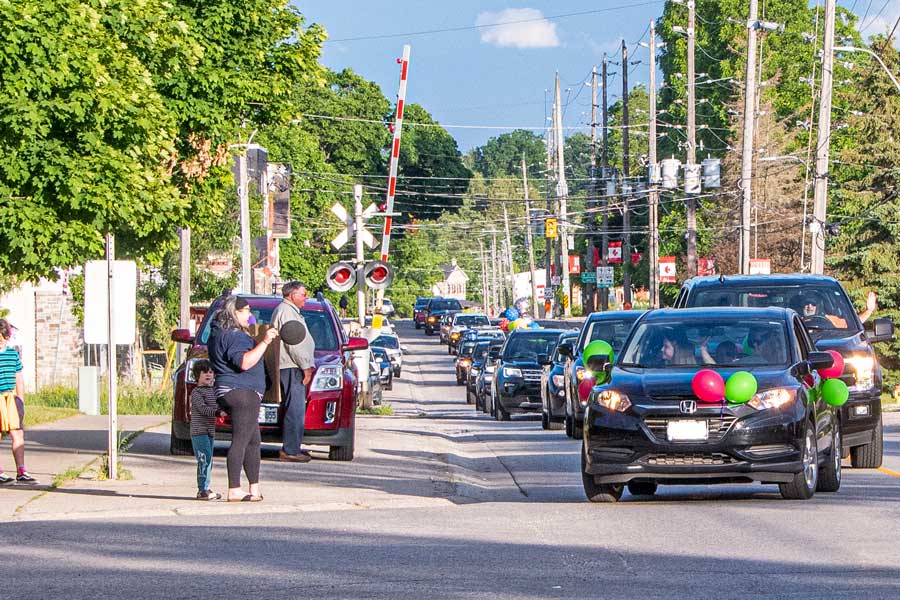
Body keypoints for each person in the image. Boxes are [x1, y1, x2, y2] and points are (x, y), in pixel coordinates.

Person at [207, 296, 278, 502]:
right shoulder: (235, 336)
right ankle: (234, 488)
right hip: (242, 392)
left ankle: (254, 488)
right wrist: (265, 341)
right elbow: (244, 362)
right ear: (234, 313)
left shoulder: (218, 333)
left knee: (253, 441)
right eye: (246, 310)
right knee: (240, 440)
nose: (250, 314)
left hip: (232, 390)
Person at [270, 281, 316, 463]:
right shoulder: (286, 312)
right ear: (292, 295)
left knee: (295, 407)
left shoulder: (290, 311)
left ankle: (293, 446)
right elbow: (293, 342)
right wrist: (305, 366)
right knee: (295, 408)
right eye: (303, 294)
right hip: (290, 365)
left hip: (291, 364)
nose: (306, 297)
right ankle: (290, 449)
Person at [0, 319, 36, 484]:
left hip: (11, 398)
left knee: (17, 434)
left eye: (4, 338)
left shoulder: (12, 354)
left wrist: (20, 400)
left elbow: (19, 379)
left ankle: (21, 470)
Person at [189, 359, 223, 500]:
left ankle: (206, 488)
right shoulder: (196, 393)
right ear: (197, 375)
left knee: (209, 459)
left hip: (209, 431)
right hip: (199, 431)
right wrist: (217, 413)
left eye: (211, 372)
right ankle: (202, 489)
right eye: (204, 372)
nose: (208, 375)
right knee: (204, 459)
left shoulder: (213, 391)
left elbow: (218, 403)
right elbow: (203, 408)